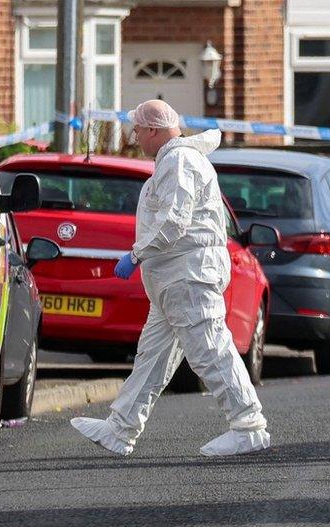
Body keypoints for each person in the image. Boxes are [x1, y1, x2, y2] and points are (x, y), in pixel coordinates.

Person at [70, 100, 271, 457]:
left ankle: (249, 425)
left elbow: (174, 220)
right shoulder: (176, 160)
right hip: (175, 279)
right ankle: (121, 428)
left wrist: (136, 255)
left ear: (153, 130)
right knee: (153, 357)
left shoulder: (179, 161)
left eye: (137, 130)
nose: (134, 137)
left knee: (210, 349)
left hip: (188, 276)